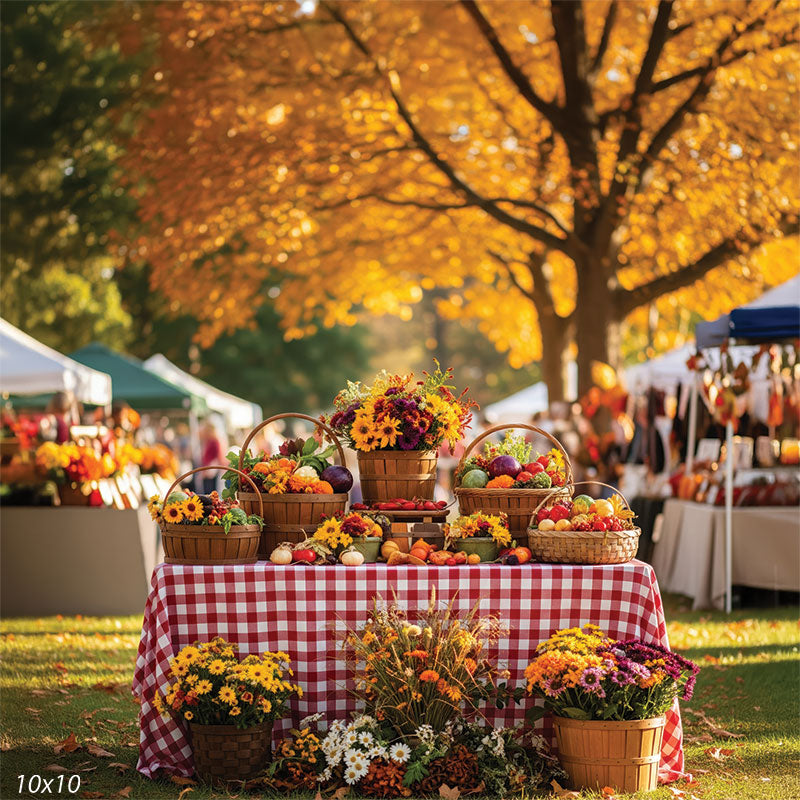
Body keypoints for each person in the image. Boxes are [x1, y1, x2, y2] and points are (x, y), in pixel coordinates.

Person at [198, 420, 225, 494]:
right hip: (208, 471)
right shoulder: (209, 441)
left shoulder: (214, 441)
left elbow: (219, 457)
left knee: (210, 492)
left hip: (211, 471)